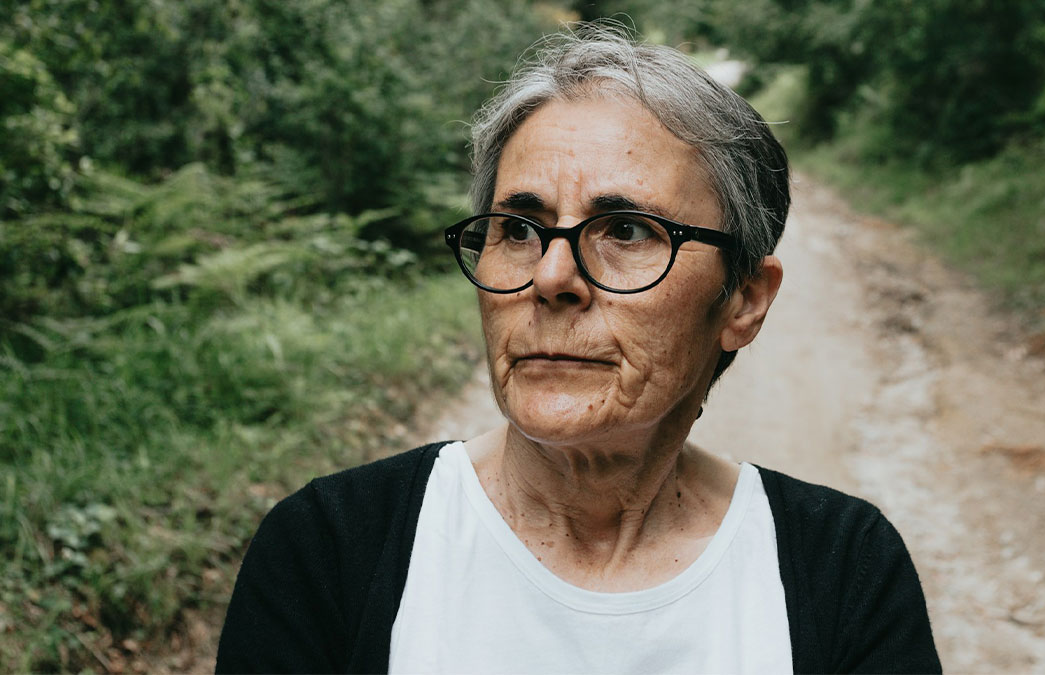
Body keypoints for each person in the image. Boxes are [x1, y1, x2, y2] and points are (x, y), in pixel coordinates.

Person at [216, 24, 940, 674]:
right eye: (519, 229)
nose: (552, 276)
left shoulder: (842, 570)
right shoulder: (330, 552)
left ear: (745, 298)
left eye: (626, 231)